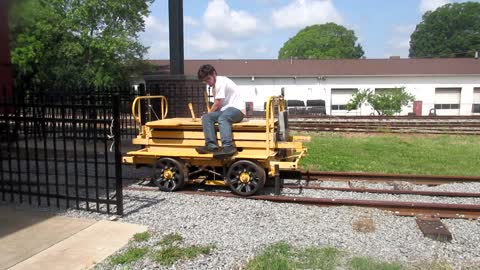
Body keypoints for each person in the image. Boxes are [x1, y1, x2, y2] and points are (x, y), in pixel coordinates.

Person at [195, 64, 246, 158]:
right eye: (205, 80)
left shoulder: (220, 82)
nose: (207, 82)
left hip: (238, 110)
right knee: (206, 118)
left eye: (208, 79)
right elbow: (218, 106)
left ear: (214, 74)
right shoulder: (214, 85)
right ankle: (211, 146)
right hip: (226, 110)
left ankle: (228, 147)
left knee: (223, 118)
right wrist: (208, 115)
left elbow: (218, 103)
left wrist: (210, 112)